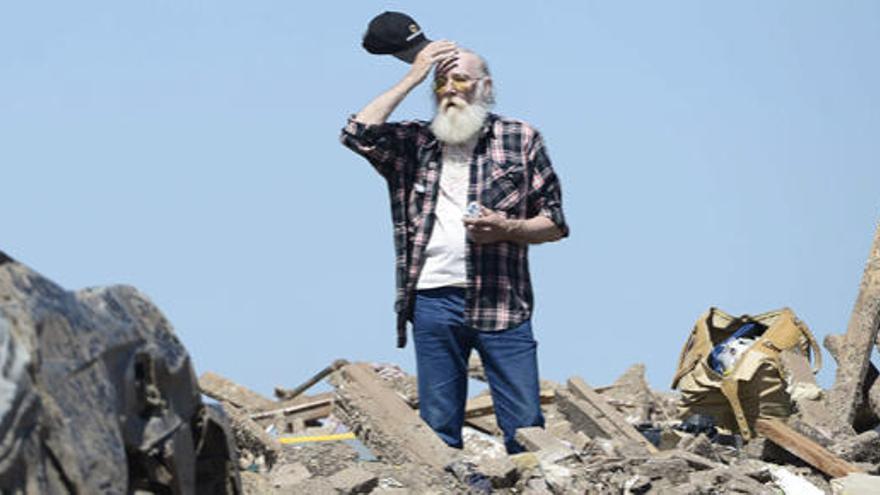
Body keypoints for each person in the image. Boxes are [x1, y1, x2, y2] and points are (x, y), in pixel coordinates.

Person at [340, 41, 568, 453]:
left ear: (486, 86)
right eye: (441, 80)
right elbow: (357, 132)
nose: (449, 88)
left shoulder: (519, 137)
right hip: (432, 298)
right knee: (438, 427)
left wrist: (506, 228)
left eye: (460, 78)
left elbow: (554, 222)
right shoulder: (414, 142)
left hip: (502, 299)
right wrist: (413, 75)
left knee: (525, 424)